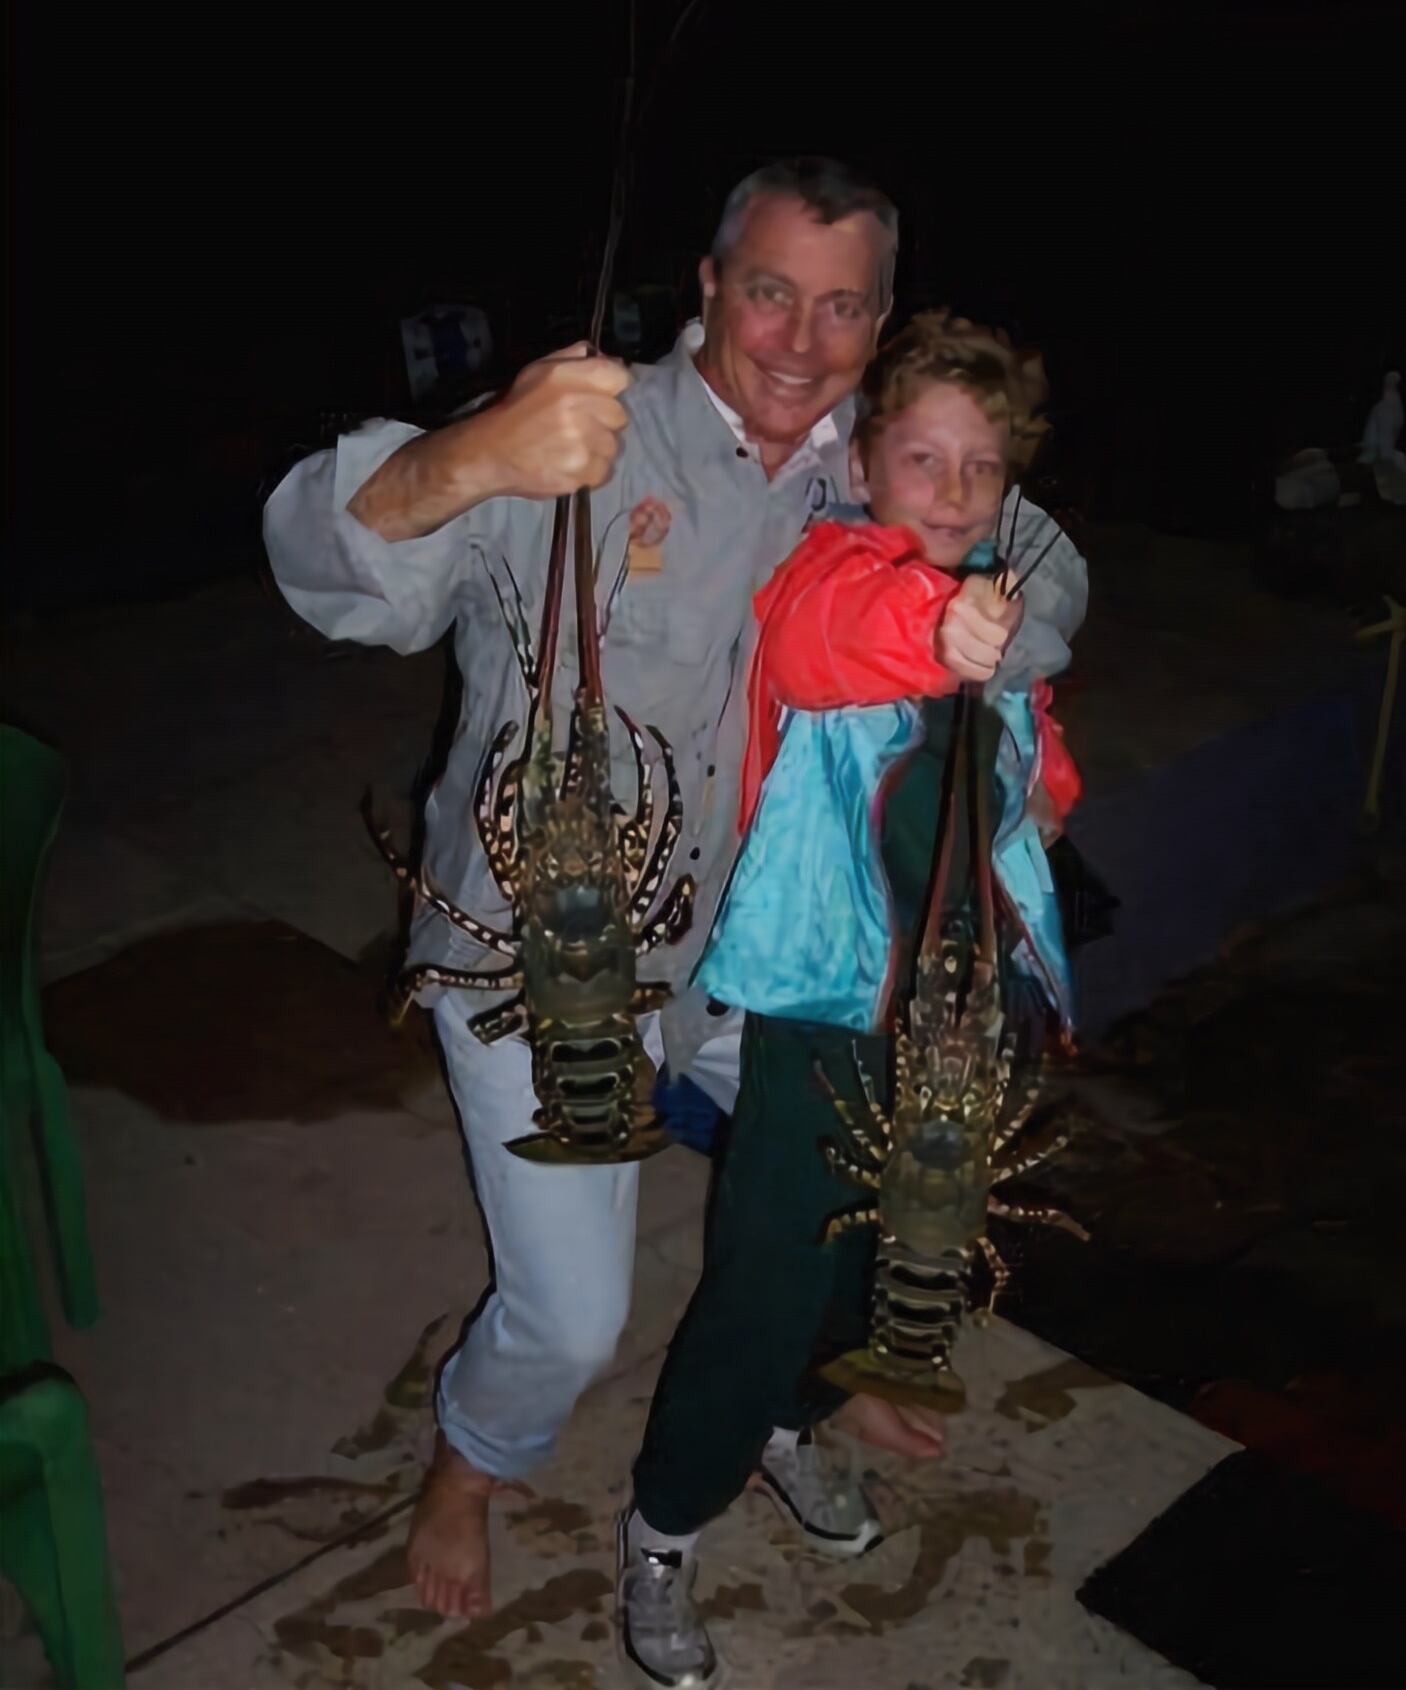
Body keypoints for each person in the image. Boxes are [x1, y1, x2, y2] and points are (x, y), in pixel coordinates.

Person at [262, 162, 1086, 1621]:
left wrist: (1002, 632)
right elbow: (326, 567)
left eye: (842, 309)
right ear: (707, 285)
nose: (797, 341)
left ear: (880, 323)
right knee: (576, 1318)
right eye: (768, 291)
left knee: (876, 1185)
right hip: (544, 962)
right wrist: (468, 458)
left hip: (748, 950)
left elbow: (1046, 554)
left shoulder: (879, 459)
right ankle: (474, 1448)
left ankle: (795, 1386)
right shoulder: (580, 431)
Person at [616, 312, 1086, 1687]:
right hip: (820, 1007)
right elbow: (834, 646)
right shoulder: (834, 573)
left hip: (951, 1005)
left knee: (892, 1252)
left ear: (1009, 486)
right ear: (866, 464)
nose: (948, 490)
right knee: (769, 1271)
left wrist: (1050, 789)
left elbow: (1032, 749)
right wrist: (946, 627)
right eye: (922, 457)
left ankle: (789, 1422)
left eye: (979, 468)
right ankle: (662, 1521)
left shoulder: (992, 592)